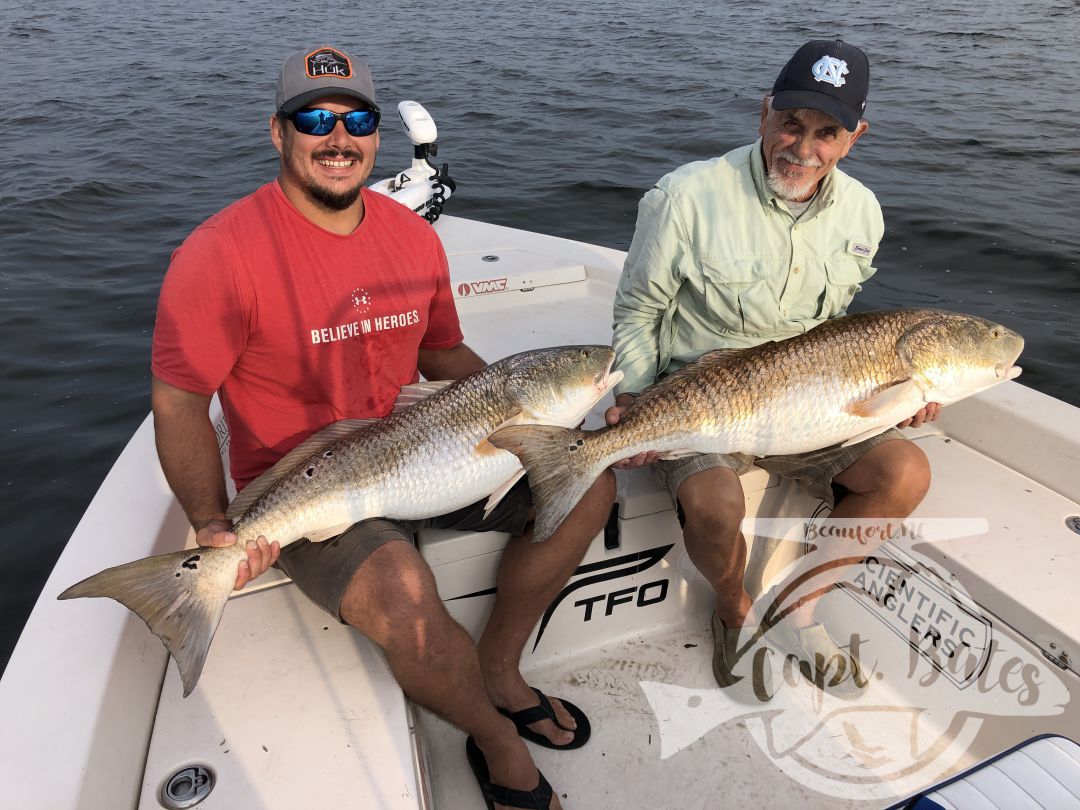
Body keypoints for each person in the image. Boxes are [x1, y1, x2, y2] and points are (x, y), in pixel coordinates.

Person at [151, 45, 609, 810]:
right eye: (315, 119)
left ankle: (500, 668)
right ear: (279, 132)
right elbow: (177, 402)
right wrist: (211, 524)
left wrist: (519, 402)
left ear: (376, 134)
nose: (339, 137)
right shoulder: (218, 256)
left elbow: (439, 349)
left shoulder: (411, 236)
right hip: (309, 484)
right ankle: (497, 745)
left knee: (587, 485)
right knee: (405, 599)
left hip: (424, 448)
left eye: (357, 119)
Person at [605, 40, 937, 698]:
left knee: (906, 471)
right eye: (791, 122)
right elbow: (638, 310)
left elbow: (843, 326)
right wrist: (638, 403)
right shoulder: (685, 197)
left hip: (811, 400)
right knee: (712, 502)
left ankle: (798, 610)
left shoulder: (862, 213)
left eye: (827, 132)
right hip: (704, 396)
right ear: (764, 113)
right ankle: (734, 606)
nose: (803, 147)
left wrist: (906, 395)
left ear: (854, 137)